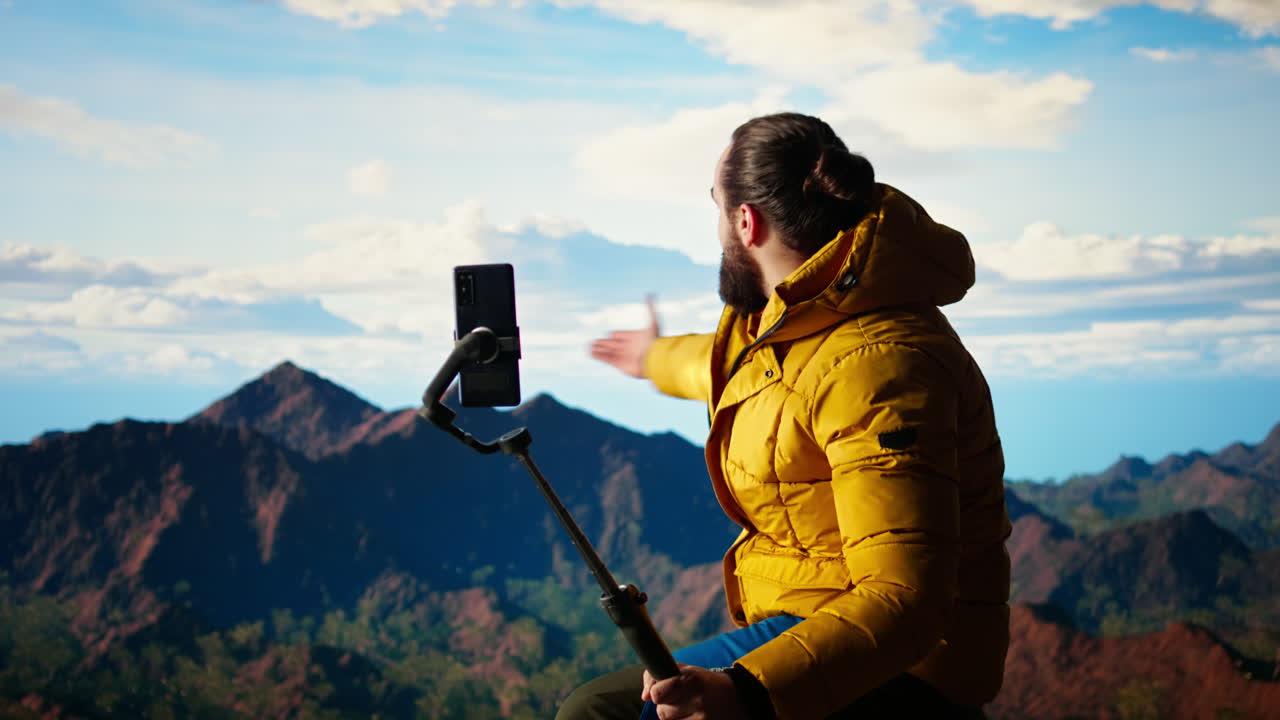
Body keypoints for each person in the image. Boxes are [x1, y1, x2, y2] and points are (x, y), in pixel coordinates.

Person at [560, 112, 1009, 720]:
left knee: (617, 714)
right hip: (821, 613)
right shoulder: (797, 319)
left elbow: (906, 599)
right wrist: (651, 357)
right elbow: (737, 373)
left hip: (913, 666)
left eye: (715, 206)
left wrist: (747, 691)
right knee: (597, 708)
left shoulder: (879, 363)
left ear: (746, 221)